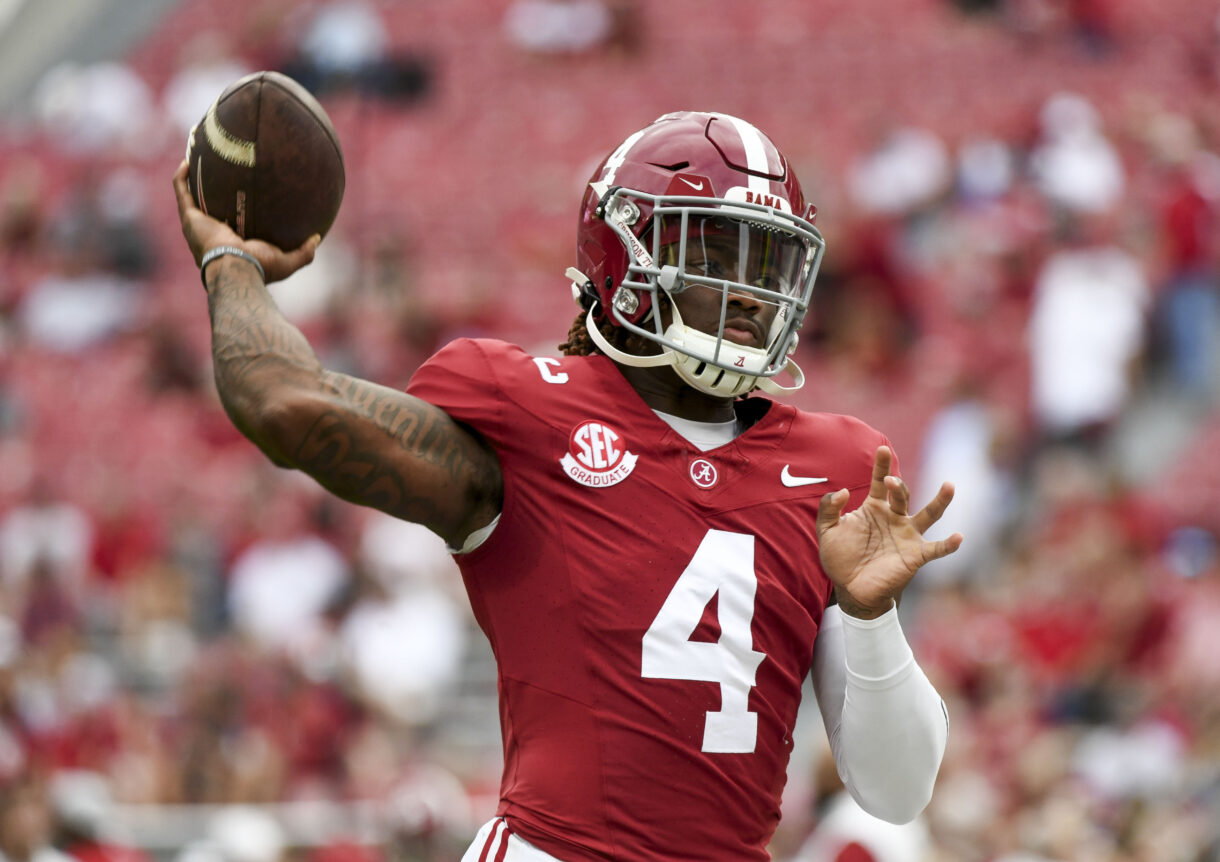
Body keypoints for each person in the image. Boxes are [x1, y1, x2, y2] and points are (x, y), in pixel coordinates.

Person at [172, 110, 962, 862]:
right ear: (624, 259)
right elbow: (283, 404)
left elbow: (896, 792)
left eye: (766, 264)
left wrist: (870, 617)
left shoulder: (834, 469)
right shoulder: (532, 411)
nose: (750, 294)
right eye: (713, 256)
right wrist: (230, 263)